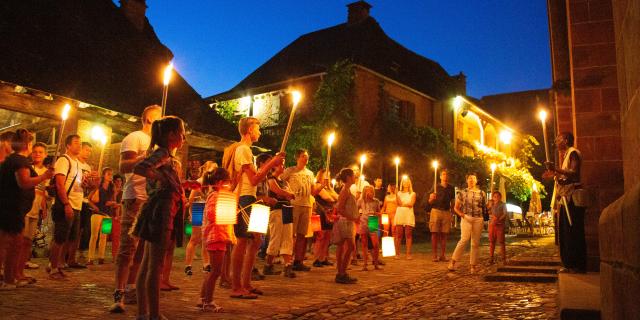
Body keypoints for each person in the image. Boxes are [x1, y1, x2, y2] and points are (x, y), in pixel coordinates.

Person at [221, 117, 284, 299]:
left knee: (256, 240)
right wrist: (271, 164)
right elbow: (255, 179)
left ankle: (246, 283)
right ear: (249, 130)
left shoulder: (249, 152)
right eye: (258, 128)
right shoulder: (243, 150)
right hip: (245, 198)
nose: (260, 132)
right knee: (242, 241)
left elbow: (256, 177)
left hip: (253, 197)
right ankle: (236, 286)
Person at [131, 116, 185, 320]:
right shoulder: (162, 153)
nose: (183, 137)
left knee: (147, 264)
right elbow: (141, 168)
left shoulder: (166, 155)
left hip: (158, 209)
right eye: (182, 133)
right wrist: (162, 178)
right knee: (155, 265)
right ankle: (153, 314)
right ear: (171, 135)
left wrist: (181, 184)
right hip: (161, 211)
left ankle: (143, 313)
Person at [111, 105, 162, 313]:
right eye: (160, 117)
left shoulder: (160, 144)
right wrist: (145, 156)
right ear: (149, 119)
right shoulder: (136, 137)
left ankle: (132, 288)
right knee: (127, 248)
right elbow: (124, 166)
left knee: (143, 250)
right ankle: (118, 293)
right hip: (135, 198)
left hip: (152, 199)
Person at [0, 130, 53, 289]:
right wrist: (44, 176)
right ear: (28, 145)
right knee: (13, 244)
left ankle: (11, 278)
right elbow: (24, 182)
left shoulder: (9, 160)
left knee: (11, 244)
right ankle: (9, 280)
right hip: (13, 208)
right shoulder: (20, 162)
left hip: (10, 207)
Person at [543, 132, 585, 273]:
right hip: (566, 198)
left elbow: (573, 172)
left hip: (572, 198)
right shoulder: (566, 155)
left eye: (558, 139)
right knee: (566, 232)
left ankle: (577, 264)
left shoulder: (573, 153)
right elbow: (566, 176)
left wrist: (555, 169)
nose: (556, 142)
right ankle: (569, 263)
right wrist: (556, 175)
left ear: (566, 140)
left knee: (573, 231)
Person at [48, 134, 84, 280]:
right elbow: (60, 184)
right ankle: (53, 268)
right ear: (68, 145)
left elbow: (77, 185)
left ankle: (59, 264)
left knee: (68, 237)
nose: (79, 145)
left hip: (77, 204)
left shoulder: (77, 163)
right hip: (66, 204)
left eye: (80, 143)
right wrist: (66, 204)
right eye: (76, 143)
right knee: (60, 237)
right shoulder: (64, 160)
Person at [281, 149, 323, 271]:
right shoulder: (290, 170)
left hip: (306, 205)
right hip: (294, 204)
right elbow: (280, 181)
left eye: (307, 156)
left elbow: (313, 191)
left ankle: (298, 260)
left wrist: (323, 186)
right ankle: (288, 259)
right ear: (297, 158)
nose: (306, 158)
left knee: (302, 234)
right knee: (291, 234)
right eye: (303, 156)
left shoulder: (310, 173)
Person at [199, 167, 233, 312]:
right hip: (216, 236)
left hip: (219, 235)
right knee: (216, 271)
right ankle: (208, 302)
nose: (229, 186)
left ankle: (203, 299)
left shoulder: (218, 195)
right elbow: (212, 214)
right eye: (227, 183)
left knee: (213, 270)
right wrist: (226, 212)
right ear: (220, 182)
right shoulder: (215, 196)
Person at [261, 154, 296, 278]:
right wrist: (286, 194)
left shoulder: (284, 181)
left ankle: (287, 265)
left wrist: (286, 194)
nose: (283, 166)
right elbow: (278, 192)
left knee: (287, 237)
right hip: (276, 210)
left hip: (286, 209)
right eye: (280, 164)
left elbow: (290, 193)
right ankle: (268, 264)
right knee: (276, 238)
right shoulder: (271, 179)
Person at [17, 142, 48, 277]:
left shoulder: (46, 171)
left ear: (45, 155)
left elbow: (43, 192)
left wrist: (44, 207)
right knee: (19, 240)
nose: (37, 154)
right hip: (25, 208)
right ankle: (13, 270)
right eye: (35, 151)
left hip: (36, 210)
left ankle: (21, 269)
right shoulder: (27, 168)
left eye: (41, 152)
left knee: (29, 241)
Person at [184, 161, 217, 276]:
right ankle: (188, 265)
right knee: (195, 238)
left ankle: (206, 264)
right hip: (199, 208)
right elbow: (192, 199)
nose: (213, 172)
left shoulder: (214, 184)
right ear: (205, 170)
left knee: (206, 239)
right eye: (212, 170)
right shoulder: (199, 182)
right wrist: (191, 213)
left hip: (209, 210)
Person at [449, 173, 486, 274]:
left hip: (478, 219)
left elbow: (483, 207)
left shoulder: (482, 193)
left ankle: (473, 266)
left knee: (475, 243)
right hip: (466, 217)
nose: (471, 180)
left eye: (473, 178)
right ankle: (453, 261)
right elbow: (456, 208)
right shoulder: (462, 193)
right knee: (464, 239)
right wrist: (463, 215)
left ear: (476, 180)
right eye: (469, 178)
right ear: (467, 181)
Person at [71, 141, 96, 268]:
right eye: (86, 149)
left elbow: (90, 187)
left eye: (89, 151)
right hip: (73, 199)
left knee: (80, 230)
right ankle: (63, 257)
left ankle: (74, 256)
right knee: (70, 230)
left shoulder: (88, 167)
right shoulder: (73, 163)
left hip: (84, 200)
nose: (88, 153)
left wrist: (94, 182)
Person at [86, 167, 118, 265]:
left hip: (107, 215)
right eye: (108, 174)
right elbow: (89, 199)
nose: (110, 176)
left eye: (111, 174)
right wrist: (94, 207)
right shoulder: (98, 186)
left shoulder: (112, 188)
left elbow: (114, 200)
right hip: (97, 213)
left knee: (104, 236)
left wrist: (114, 204)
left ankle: (101, 257)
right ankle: (90, 258)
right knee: (94, 236)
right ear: (103, 175)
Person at [332, 168, 358, 284]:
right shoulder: (345, 191)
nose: (355, 177)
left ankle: (341, 272)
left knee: (343, 246)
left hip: (347, 221)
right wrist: (353, 218)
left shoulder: (347, 190)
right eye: (353, 176)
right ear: (348, 177)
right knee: (351, 247)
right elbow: (340, 208)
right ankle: (341, 272)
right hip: (346, 222)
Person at [427, 169, 455, 262]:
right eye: (443, 174)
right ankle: (434, 255)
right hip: (436, 211)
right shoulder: (436, 187)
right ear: (440, 176)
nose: (445, 176)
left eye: (446, 174)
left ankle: (442, 255)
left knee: (444, 234)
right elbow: (429, 200)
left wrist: (452, 213)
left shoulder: (451, 188)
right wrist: (431, 199)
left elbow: (452, 201)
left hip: (446, 212)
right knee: (434, 233)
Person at [312, 168, 337, 268]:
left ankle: (323, 258)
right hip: (321, 212)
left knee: (327, 236)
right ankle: (317, 258)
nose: (328, 177)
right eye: (326, 175)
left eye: (329, 175)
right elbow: (328, 198)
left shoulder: (329, 188)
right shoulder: (318, 186)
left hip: (329, 213)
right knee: (321, 236)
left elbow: (337, 197)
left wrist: (330, 188)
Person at [357, 185, 382, 270]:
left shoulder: (376, 201)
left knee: (375, 244)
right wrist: (358, 217)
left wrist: (376, 214)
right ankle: (365, 264)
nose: (370, 193)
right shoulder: (361, 201)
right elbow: (355, 210)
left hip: (373, 220)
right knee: (364, 243)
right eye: (368, 191)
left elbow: (379, 213)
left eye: (371, 191)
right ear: (364, 192)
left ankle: (375, 263)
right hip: (363, 220)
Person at [394, 177, 416, 259]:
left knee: (408, 234)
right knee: (399, 234)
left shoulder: (412, 193)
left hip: (408, 214)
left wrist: (403, 204)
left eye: (407, 181)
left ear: (409, 183)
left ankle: (408, 254)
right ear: (401, 183)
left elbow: (411, 204)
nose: (405, 183)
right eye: (404, 181)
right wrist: (396, 194)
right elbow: (398, 203)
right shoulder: (398, 193)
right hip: (400, 213)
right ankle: (397, 253)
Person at [487, 191, 507, 264]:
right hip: (492, 225)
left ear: (500, 197)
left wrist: (498, 219)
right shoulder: (491, 205)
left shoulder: (503, 204)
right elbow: (489, 213)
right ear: (493, 197)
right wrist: (489, 207)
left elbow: (505, 213)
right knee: (492, 242)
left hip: (500, 225)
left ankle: (503, 258)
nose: (496, 198)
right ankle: (491, 258)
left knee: (501, 242)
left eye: (498, 196)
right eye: (494, 196)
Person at [110, 174, 124, 260]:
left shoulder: (123, 192)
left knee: (116, 236)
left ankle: (115, 255)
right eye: (117, 181)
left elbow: (123, 203)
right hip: (108, 215)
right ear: (114, 182)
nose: (119, 183)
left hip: (117, 217)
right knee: (105, 234)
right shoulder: (110, 191)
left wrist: (117, 205)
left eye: (120, 181)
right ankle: (101, 256)